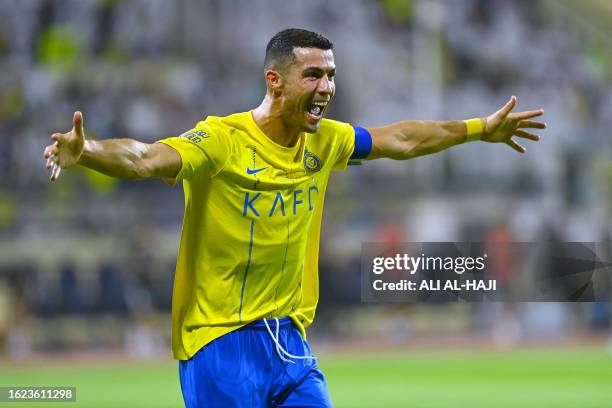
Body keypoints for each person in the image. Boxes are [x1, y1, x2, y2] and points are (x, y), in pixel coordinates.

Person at [42, 28, 545, 407]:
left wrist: (479, 128)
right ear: (275, 81)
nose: (327, 86)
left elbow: (401, 139)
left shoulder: (324, 141)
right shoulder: (221, 140)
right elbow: (145, 158)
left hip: (291, 342)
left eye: (331, 75)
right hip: (220, 343)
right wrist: (87, 153)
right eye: (314, 75)